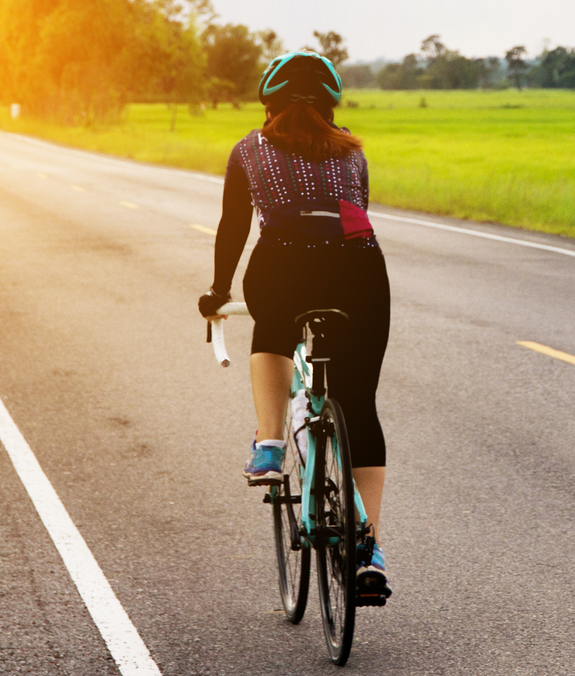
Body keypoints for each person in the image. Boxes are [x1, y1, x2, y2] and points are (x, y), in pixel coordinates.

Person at [199, 52, 392, 598]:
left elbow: (233, 226)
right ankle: (369, 548)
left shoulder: (248, 149)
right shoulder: (353, 149)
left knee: (273, 329)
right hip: (360, 269)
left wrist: (217, 292)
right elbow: (357, 216)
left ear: (268, 103)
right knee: (360, 403)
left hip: (282, 262)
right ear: (331, 105)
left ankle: (269, 446)